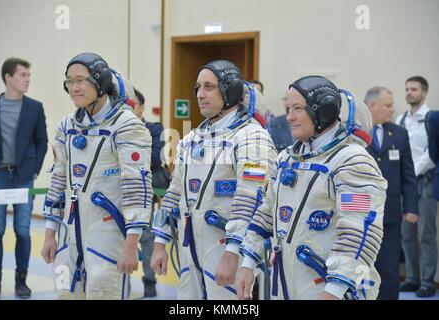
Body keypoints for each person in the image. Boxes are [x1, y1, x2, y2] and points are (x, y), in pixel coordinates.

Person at [236, 75, 388, 300]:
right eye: (288, 108)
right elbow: (266, 211)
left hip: (330, 289)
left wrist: (334, 290)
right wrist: (248, 263)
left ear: (324, 110)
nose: (289, 117)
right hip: (285, 283)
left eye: (297, 108)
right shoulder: (286, 158)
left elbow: (361, 232)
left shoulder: (352, 161)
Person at [151, 60, 277, 299]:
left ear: (230, 90)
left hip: (229, 254)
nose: (200, 94)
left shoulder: (252, 138)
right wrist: (160, 241)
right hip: (191, 253)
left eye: (209, 87)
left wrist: (233, 254)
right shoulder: (191, 139)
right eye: (198, 87)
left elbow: (252, 201)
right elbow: (174, 193)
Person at [40, 52, 152, 300]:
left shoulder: (127, 126)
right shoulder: (66, 126)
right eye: (69, 81)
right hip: (70, 233)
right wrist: (50, 232)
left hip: (109, 234)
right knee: (66, 293)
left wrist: (132, 245)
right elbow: (58, 180)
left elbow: (137, 190)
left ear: (100, 82)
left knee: (104, 292)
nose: (74, 88)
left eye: (81, 80)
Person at [0, 57, 48, 299]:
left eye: (28, 76)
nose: (27, 80)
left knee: (23, 230)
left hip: (24, 178)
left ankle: (21, 280)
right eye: (23, 75)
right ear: (8, 78)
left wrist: (34, 170)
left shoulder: (35, 107)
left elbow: (41, 141)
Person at [364, 86, 418, 300]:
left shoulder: (399, 133)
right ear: (372, 106)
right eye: (388, 105)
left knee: (389, 267)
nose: (392, 110)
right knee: (362, 267)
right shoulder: (355, 133)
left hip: (391, 213)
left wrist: (412, 208)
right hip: (361, 213)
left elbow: (408, 175)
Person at [396, 76, 437, 298]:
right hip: (406, 185)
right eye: (407, 89)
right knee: (406, 234)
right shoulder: (402, 120)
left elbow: (434, 153)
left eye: (414, 89)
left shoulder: (432, 118)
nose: (409, 93)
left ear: (424, 92)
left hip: (426, 182)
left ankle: (428, 281)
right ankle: (412, 278)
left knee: (427, 234)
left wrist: (411, 171)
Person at [131, 87, 166, 298]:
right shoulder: (114, 130)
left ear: (142, 107)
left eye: (133, 103)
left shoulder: (154, 128)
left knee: (146, 237)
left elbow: (154, 157)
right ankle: (121, 280)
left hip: (146, 189)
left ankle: (149, 281)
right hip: (120, 190)